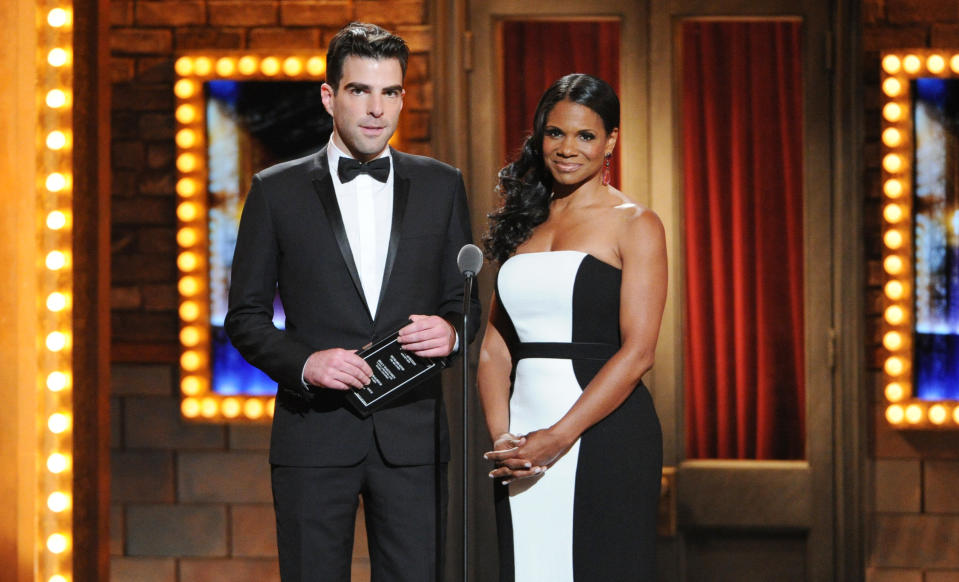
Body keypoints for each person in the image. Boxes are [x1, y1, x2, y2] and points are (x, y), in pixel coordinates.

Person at [225, 22, 481, 582]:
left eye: (389, 92)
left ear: (402, 98)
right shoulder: (276, 189)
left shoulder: (442, 185)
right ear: (329, 96)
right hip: (313, 435)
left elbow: (466, 303)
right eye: (359, 90)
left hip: (413, 439)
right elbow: (243, 318)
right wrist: (305, 364)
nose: (375, 109)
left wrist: (453, 333)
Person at [477, 73, 666, 581]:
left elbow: (639, 352)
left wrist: (558, 437)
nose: (567, 148)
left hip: (605, 435)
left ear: (611, 142)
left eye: (585, 135)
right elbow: (494, 350)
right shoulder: (523, 223)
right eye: (555, 133)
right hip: (520, 444)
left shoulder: (635, 223)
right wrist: (505, 439)